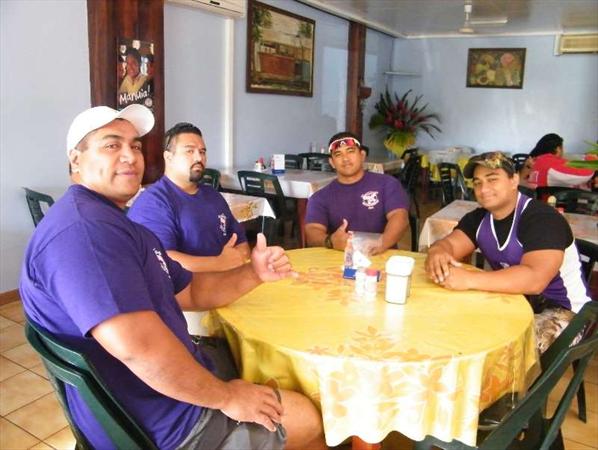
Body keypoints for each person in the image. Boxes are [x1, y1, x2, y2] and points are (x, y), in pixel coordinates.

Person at [19, 105, 326, 450]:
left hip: (156, 390)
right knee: (309, 417)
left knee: (268, 366)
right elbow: (139, 349)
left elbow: (191, 290)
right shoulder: (86, 232)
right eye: (111, 145)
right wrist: (226, 397)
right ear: (76, 160)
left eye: (135, 146)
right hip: (162, 424)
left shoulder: (116, 223)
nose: (130, 156)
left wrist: (253, 273)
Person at [424, 151, 591, 353]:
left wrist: (468, 279)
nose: (483, 189)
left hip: (566, 313)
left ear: (514, 180)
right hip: (513, 301)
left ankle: (500, 385)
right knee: (449, 323)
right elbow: (449, 245)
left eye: (492, 179)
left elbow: (535, 279)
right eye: (477, 182)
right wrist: (438, 252)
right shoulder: (479, 219)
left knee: (495, 348)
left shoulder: (542, 218)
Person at [128, 122, 249, 272]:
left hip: (228, 282)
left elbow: (241, 241)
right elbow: (162, 260)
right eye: (189, 151)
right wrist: (219, 263)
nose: (199, 157)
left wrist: (238, 258)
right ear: (169, 157)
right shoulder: (153, 203)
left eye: (202, 152)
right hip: (184, 292)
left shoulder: (213, 195)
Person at [305, 131, 409, 254]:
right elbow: (312, 231)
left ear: (362, 155)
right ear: (332, 162)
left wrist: (382, 243)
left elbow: (400, 217)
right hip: (339, 259)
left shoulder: (387, 184)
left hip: (383, 256)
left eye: (350, 151)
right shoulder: (320, 197)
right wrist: (330, 241)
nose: (345, 158)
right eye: (338, 154)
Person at [528, 133, 594, 190]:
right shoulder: (549, 164)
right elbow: (585, 174)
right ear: (558, 149)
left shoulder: (538, 160)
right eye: (562, 148)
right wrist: (592, 159)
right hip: (550, 202)